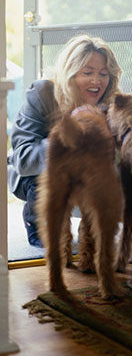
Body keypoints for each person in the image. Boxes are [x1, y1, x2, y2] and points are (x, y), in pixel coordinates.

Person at [7, 34, 122, 247]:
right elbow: (22, 159)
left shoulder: (111, 105)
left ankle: (92, 229)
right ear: (69, 73)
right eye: (87, 72)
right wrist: (71, 135)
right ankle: (38, 224)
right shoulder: (43, 93)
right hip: (34, 177)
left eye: (103, 74)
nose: (97, 81)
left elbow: (120, 162)